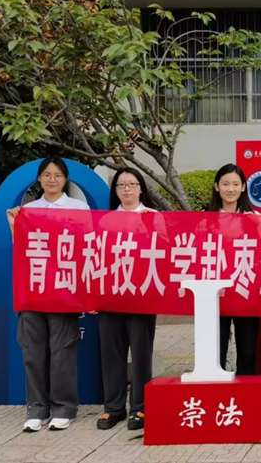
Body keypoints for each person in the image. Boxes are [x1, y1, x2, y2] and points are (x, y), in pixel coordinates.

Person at [7, 157, 90, 432]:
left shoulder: (78, 208)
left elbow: (87, 246)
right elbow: (22, 250)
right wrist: (14, 225)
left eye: (57, 175)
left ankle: (64, 407)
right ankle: (37, 408)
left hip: (64, 290)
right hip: (33, 290)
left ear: (65, 179)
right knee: (32, 352)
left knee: (61, 351)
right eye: (46, 174)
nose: (52, 179)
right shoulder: (28, 210)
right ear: (39, 179)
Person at [97, 168, 157, 431]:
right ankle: (113, 408)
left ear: (141, 188)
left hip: (142, 296)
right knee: (111, 353)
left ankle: (140, 407)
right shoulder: (105, 220)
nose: (127, 189)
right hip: (111, 296)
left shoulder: (154, 217)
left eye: (132, 184)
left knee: (141, 353)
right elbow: (95, 258)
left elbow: (165, 253)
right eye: (121, 185)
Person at [210, 164, 261, 377]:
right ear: (217, 187)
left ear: (243, 187)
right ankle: (217, 393)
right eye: (225, 184)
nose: (230, 189)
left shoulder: (255, 217)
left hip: (245, 290)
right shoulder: (206, 218)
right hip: (214, 294)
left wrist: (257, 226)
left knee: (248, 352)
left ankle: (246, 393)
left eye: (235, 184)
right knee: (215, 352)